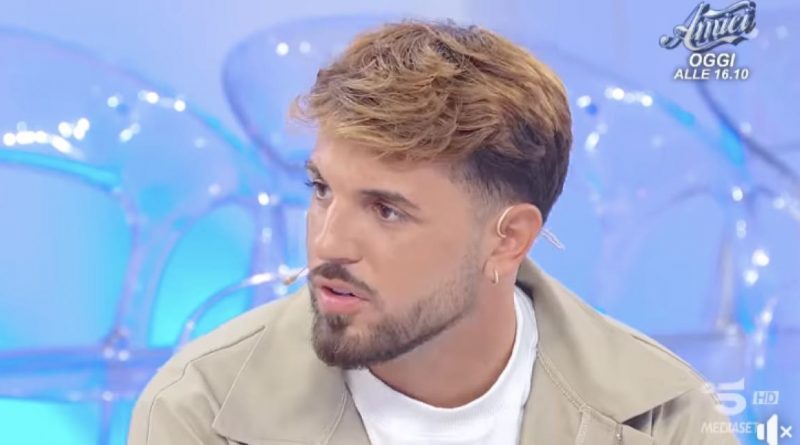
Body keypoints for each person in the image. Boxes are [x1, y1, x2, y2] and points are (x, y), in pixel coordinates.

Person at [128, 19, 737, 444]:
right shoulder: (199, 409)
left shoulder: (668, 419)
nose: (328, 244)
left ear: (508, 238)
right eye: (321, 190)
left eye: (386, 210)